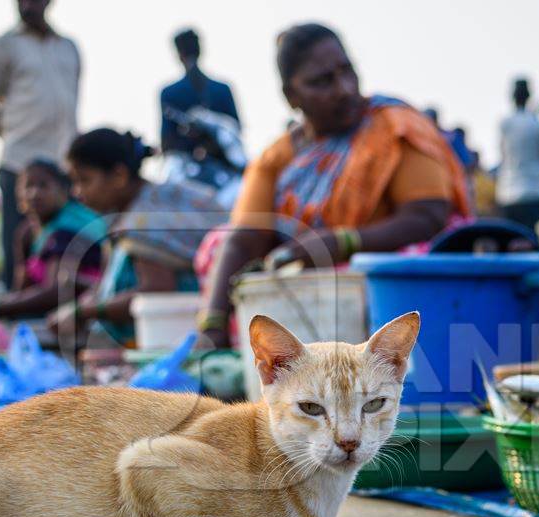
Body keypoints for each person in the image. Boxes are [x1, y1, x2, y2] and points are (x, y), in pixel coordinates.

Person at [196, 23, 470, 349]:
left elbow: (429, 214)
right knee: (219, 247)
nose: (344, 89)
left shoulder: (393, 127)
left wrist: (342, 242)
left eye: (347, 72)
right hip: (307, 283)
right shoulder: (277, 157)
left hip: (373, 265)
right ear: (291, 96)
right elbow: (244, 238)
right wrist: (211, 326)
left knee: (409, 261)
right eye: (322, 81)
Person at [46, 128, 223, 345]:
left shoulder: (145, 221)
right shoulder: (126, 213)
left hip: (175, 340)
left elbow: (156, 290)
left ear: (119, 176)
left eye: (84, 180)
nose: (77, 192)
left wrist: (84, 312)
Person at [0, 0, 81, 290]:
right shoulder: (3, 47)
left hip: (62, 162)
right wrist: (16, 130)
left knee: (67, 246)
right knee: (19, 245)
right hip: (20, 161)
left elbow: (71, 103)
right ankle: (15, 314)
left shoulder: (68, 47)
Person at [0, 159, 104, 319]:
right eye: (28, 186)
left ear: (63, 191)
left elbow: (56, 290)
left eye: (44, 186)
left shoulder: (69, 228)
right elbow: (22, 287)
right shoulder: (29, 232)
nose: (35, 193)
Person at [160, 28, 240, 154]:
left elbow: (167, 142)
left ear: (179, 55)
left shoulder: (169, 93)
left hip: (189, 167)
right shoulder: (222, 89)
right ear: (200, 51)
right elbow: (236, 130)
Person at [495, 78, 539, 230]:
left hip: (508, 193)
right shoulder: (537, 124)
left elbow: (502, 153)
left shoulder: (505, 123)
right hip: (534, 192)